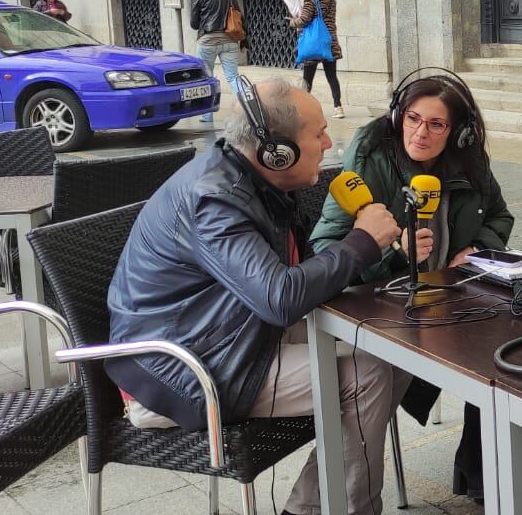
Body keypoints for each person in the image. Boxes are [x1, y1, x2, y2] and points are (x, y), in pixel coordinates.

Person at [107, 78, 412, 515]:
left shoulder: (257, 182)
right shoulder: (214, 200)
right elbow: (280, 297)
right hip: (179, 370)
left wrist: (373, 250)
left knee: (391, 349)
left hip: (227, 332)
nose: (328, 143)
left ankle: (312, 505)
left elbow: (294, 278)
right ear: (276, 151)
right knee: (365, 376)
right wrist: (361, 242)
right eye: (318, 133)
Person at [310, 68, 513, 502]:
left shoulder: (470, 162)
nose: (421, 132)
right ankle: (350, 499)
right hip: (390, 307)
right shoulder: (367, 163)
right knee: (373, 376)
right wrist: (391, 249)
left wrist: (477, 247)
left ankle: (482, 469)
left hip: (456, 294)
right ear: (397, 117)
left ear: (456, 133)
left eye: (436, 124)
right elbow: (325, 246)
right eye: (413, 119)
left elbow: (499, 216)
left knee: (505, 344)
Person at [290, 0, 345, 119]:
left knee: (307, 79)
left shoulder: (311, 0)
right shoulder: (332, 1)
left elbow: (304, 20)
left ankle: (303, 109)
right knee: (332, 77)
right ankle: (338, 108)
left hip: (312, 45)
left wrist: (293, 22)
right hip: (329, 44)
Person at [189, 0, 241, 123]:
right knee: (233, 77)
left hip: (208, 42)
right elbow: (239, 16)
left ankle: (207, 115)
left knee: (207, 78)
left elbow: (194, 24)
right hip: (230, 40)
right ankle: (245, 108)